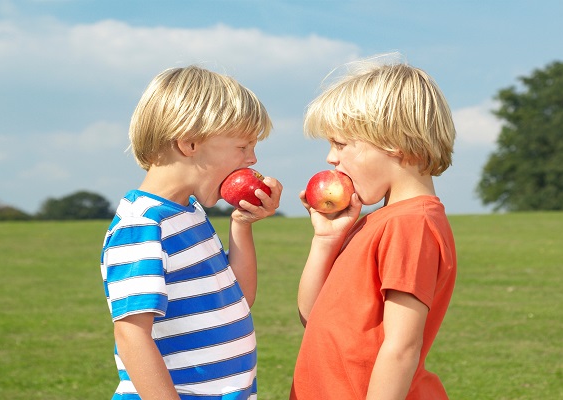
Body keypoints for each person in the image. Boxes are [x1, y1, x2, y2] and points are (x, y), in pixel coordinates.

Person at [100, 65, 282, 400]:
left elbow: (239, 298)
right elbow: (131, 335)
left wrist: (241, 224)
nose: (253, 159)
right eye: (243, 146)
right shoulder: (143, 225)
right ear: (190, 143)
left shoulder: (190, 214)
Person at [290, 56, 457, 400]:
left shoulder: (410, 225)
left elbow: (401, 349)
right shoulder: (379, 222)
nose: (330, 158)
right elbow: (312, 315)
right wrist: (326, 240)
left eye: (341, 144)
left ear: (392, 141)